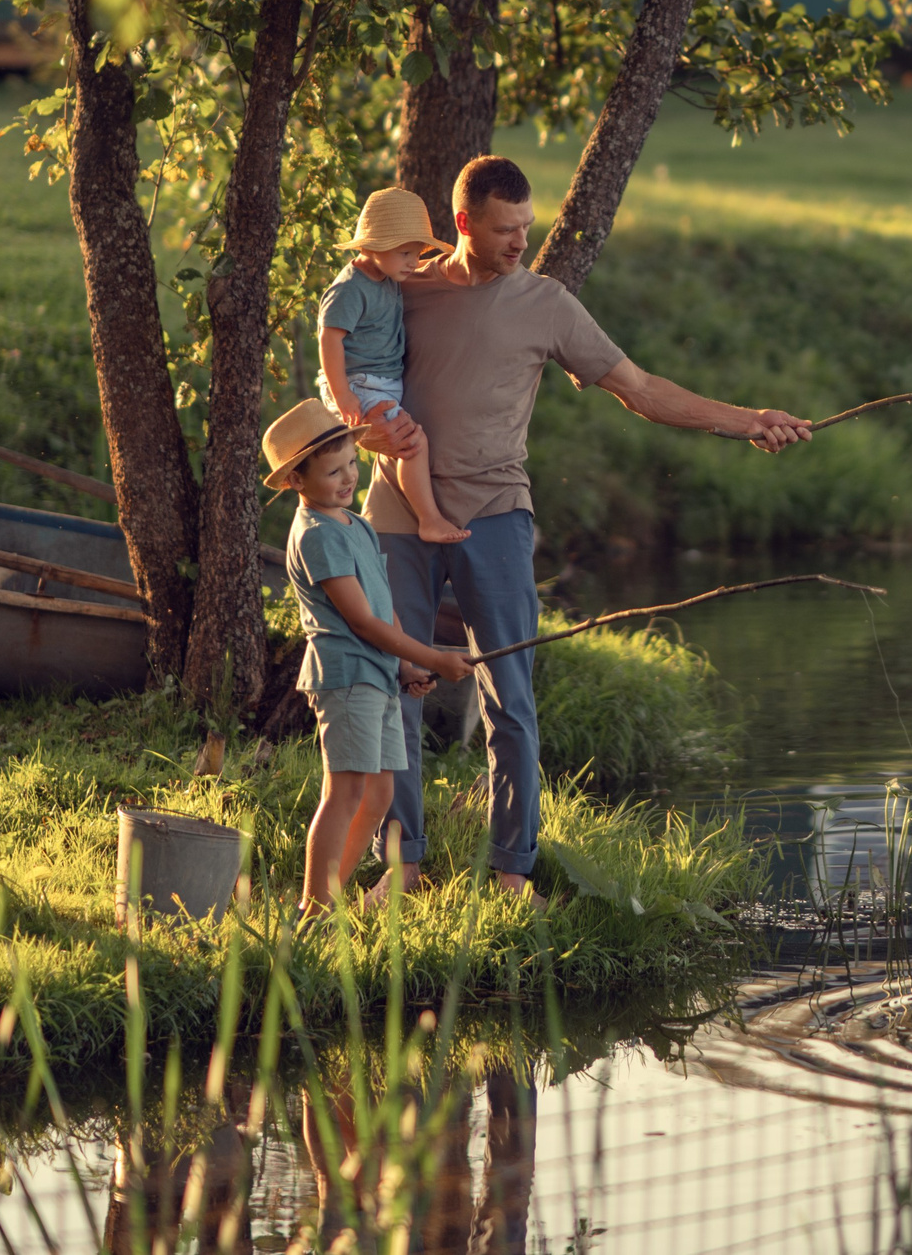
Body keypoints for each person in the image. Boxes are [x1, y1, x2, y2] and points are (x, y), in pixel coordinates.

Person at [369, 154, 811, 900]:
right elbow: (347, 368)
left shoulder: (547, 303)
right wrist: (361, 433)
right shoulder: (402, 288)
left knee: (511, 696)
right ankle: (402, 867)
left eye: (528, 227)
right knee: (395, 688)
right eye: (505, 229)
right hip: (398, 515)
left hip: (496, 516)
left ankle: (513, 871)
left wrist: (747, 421)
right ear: (464, 223)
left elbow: (638, 389)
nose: (520, 242)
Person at [260, 397, 475, 913]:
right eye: (333, 471)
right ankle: (315, 907)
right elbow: (361, 621)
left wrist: (408, 664)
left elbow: (384, 604)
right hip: (348, 677)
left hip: (378, 676)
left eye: (352, 464)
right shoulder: (316, 535)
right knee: (345, 792)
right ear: (296, 481)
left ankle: (331, 894)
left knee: (378, 797)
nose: (347, 477)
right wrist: (435, 656)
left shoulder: (356, 525)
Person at [317, 187, 467, 546]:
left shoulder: (387, 275)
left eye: (416, 253)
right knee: (413, 443)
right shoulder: (350, 289)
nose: (414, 262)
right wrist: (344, 397)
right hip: (359, 383)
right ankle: (428, 519)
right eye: (405, 253)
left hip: (377, 382)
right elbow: (329, 339)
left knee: (403, 441)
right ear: (373, 246)